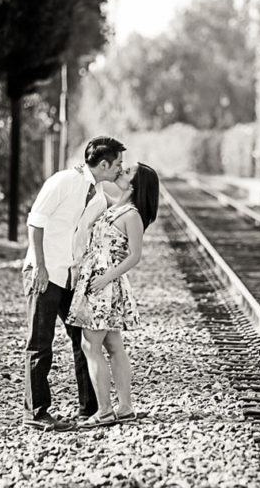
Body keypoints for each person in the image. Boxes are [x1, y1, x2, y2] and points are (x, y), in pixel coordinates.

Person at [22, 136, 125, 432]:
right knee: (40, 344)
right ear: (103, 164)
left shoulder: (96, 193)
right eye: (118, 164)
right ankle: (36, 413)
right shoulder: (63, 181)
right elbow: (35, 221)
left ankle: (89, 409)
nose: (120, 169)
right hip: (44, 272)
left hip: (69, 276)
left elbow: (123, 212)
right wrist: (40, 267)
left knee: (85, 340)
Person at [68, 162, 159, 428]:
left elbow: (135, 256)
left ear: (135, 184)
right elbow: (94, 188)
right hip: (98, 279)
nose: (121, 171)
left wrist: (106, 278)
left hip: (104, 284)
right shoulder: (114, 205)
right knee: (113, 346)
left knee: (90, 345)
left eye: (127, 171)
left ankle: (105, 410)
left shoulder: (132, 215)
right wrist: (83, 173)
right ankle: (125, 408)